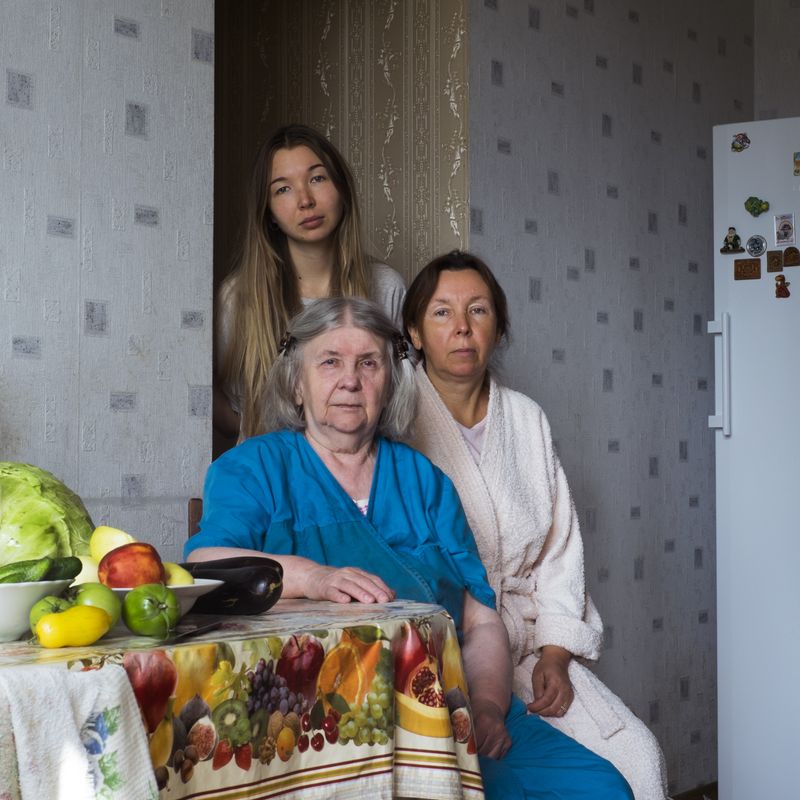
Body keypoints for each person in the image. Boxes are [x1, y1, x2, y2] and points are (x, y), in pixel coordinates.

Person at [186, 297, 632, 800]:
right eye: (330, 361)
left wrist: (485, 707)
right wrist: (312, 577)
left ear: (390, 382)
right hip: (309, 723)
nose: (350, 380)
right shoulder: (252, 468)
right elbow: (204, 565)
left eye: (368, 363)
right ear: (296, 382)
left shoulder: (425, 481)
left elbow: (481, 618)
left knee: (601, 787)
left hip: (445, 704)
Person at [401, 250, 668, 800]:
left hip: (526, 646)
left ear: (498, 327)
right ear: (415, 332)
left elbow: (559, 551)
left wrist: (555, 653)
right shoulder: (396, 420)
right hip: (442, 651)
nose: (462, 328)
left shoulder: (525, 418)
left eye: (478, 311)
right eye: (442, 313)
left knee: (638, 755)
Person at [215, 123, 406, 442]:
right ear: (269, 212)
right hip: (270, 481)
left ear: (341, 188)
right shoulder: (238, 298)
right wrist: (269, 435)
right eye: (282, 189)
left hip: (361, 480)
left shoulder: (385, 287)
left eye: (317, 178)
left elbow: (406, 399)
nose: (305, 200)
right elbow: (208, 395)